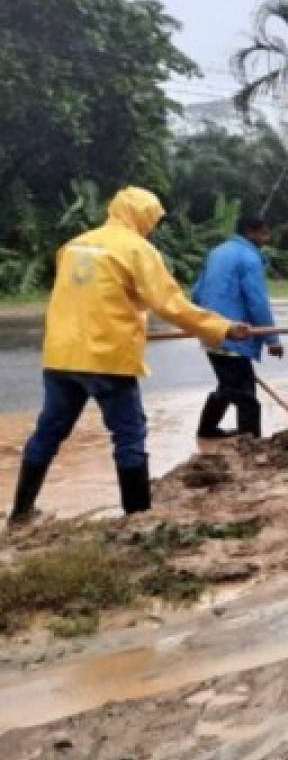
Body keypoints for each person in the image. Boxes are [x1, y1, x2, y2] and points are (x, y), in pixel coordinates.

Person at [6, 187, 250, 526]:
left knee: (48, 432)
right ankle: (137, 520)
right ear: (142, 215)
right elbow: (171, 305)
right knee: (129, 435)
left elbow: (88, 298)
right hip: (106, 358)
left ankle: (20, 513)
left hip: (61, 355)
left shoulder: (74, 245)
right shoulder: (137, 249)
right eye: (153, 219)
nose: (153, 226)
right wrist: (223, 328)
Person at [191, 215, 283, 439]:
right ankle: (251, 445)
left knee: (228, 386)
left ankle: (207, 430)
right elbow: (257, 302)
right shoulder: (249, 258)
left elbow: (196, 293)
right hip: (234, 335)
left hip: (210, 331)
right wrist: (273, 339)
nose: (267, 239)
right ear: (251, 232)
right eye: (264, 233)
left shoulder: (217, 252)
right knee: (246, 397)